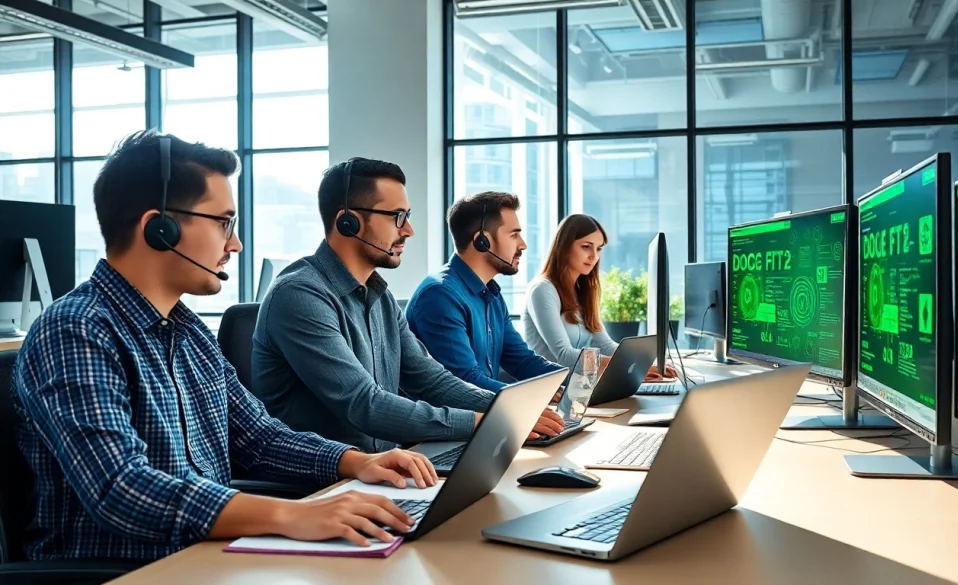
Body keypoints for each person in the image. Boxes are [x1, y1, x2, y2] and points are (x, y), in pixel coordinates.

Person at [11, 132, 436, 565]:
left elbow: (258, 437)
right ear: (159, 229)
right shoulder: (76, 331)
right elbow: (120, 487)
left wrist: (357, 462)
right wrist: (291, 515)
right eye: (224, 223)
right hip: (127, 570)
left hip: (214, 556)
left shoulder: (188, 331)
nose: (235, 244)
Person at [251, 159, 563, 454]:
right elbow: (364, 404)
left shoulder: (380, 297)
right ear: (348, 222)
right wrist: (493, 421)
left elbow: (432, 381)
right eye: (397, 217)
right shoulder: (299, 295)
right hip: (325, 488)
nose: (409, 230)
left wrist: (511, 408)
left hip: (390, 469)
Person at [405, 192, 567, 406]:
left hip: (489, 417)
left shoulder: (491, 294)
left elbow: (522, 360)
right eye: (514, 235)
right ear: (482, 241)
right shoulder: (439, 295)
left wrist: (579, 382)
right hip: (452, 430)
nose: (523, 245)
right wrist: (531, 399)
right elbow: (465, 381)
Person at [522, 214, 677, 381]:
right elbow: (564, 355)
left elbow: (605, 345)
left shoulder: (581, 291)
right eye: (586, 247)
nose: (594, 256)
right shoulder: (543, 290)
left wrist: (645, 363)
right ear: (564, 246)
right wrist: (626, 366)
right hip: (552, 393)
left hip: (580, 386)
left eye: (598, 248)